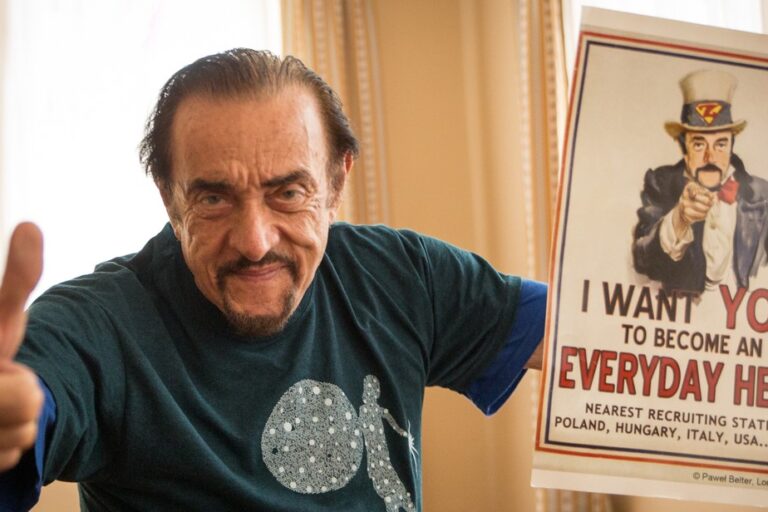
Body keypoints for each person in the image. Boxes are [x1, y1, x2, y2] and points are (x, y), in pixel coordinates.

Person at [0, 49, 545, 511]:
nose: (255, 242)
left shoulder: (399, 275)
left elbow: (578, 332)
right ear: (169, 197)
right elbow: (30, 392)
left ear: (336, 184)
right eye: (214, 199)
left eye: (287, 193)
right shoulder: (101, 326)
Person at [633, 69, 768, 294]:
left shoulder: (763, 195)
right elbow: (642, 259)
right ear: (684, 149)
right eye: (699, 144)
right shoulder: (661, 183)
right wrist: (679, 219)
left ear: (731, 147)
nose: (710, 157)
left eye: (720, 144)